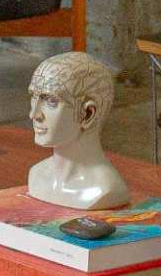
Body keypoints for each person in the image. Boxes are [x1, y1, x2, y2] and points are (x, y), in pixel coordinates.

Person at [23, 50, 129, 210]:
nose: (34, 114)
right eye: (33, 96)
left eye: (51, 101)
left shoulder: (106, 189)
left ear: (87, 114)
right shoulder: (37, 174)